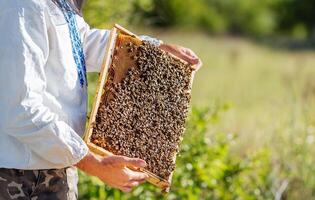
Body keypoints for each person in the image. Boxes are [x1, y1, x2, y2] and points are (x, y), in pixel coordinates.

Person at [0, 0, 201, 199]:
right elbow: (21, 109)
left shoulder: (55, 4)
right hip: (19, 176)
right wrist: (92, 161)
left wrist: (153, 50)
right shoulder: (22, 6)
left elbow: (81, 42)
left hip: (58, 166)